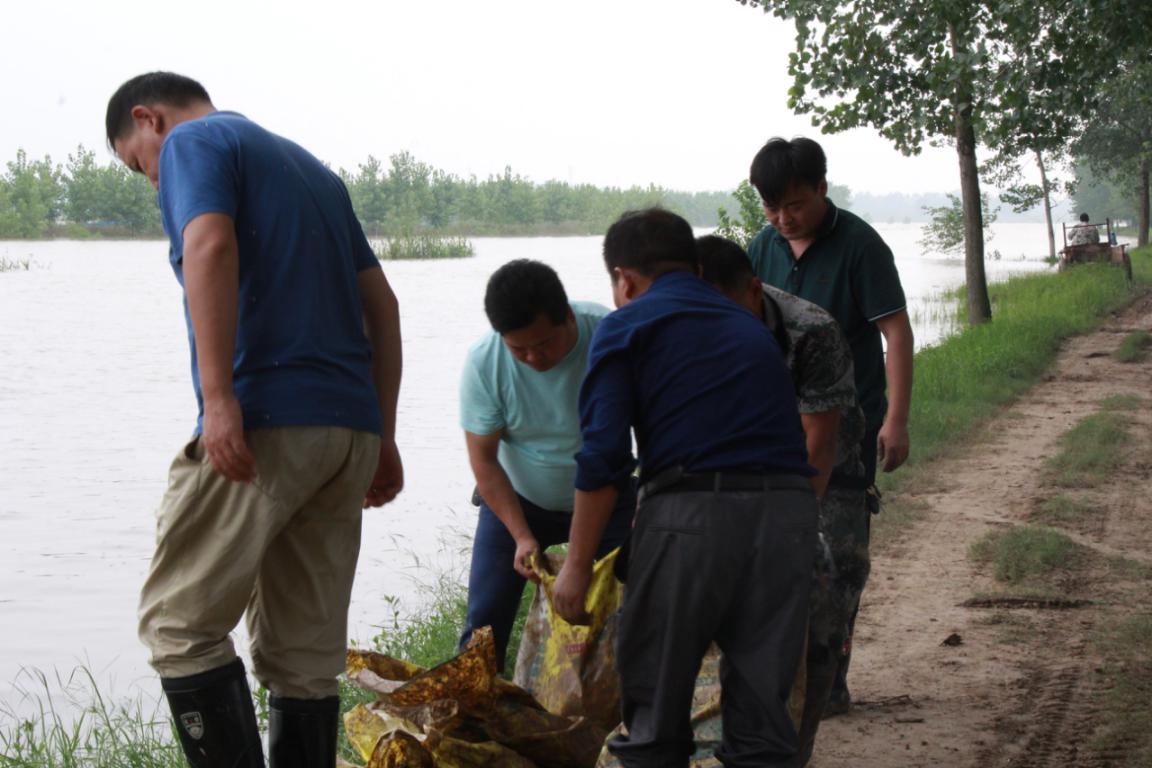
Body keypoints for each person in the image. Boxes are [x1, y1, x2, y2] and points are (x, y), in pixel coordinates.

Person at [107, 72, 403, 768]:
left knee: (179, 625)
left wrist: (218, 400)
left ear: (149, 120)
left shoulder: (194, 142)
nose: (153, 182)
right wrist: (381, 436)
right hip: (346, 434)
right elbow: (382, 307)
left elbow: (209, 245)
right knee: (305, 654)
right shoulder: (315, 173)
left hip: (270, 418)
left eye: (136, 164)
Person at [553, 209, 818, 767]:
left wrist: (576, 567)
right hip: (789, 519)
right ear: (694, 267)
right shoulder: (751, 325)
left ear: (623, 279)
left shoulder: (626, 327)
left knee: (653, 719)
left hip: (690, 518)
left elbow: (603, 460)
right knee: (765, 730)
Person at [745, 136, 914, 714]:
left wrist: (896, 418)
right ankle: (782, 678)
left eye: (793, 204)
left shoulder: (860, 246)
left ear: (821, 187)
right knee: (774, 552)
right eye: (771, 207)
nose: (783, 218)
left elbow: (896, 333)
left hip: (848, 424)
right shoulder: (760, 248)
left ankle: (830, 677)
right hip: (775, 431)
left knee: (840, 555)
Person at [697, 234, 867, 765]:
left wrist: (795, 528)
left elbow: (819, 442)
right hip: (742, 476)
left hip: (824, 472)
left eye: (722, 308)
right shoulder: (687, 328)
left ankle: (805, 734)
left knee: (822, 598)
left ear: (753, 290)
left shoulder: (810, 330)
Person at [457, 259, 634, 671]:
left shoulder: (608, 335)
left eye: (545, 343)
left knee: (640, 606)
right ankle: (476, 724)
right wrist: (521, 536)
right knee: (482, 627)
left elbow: (653, 425)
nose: (534, 358)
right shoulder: (485, 362)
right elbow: (483, 459)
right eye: (519, 349)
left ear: (568, 316)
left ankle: (630, 718)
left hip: (607, 496)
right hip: (521, 500)